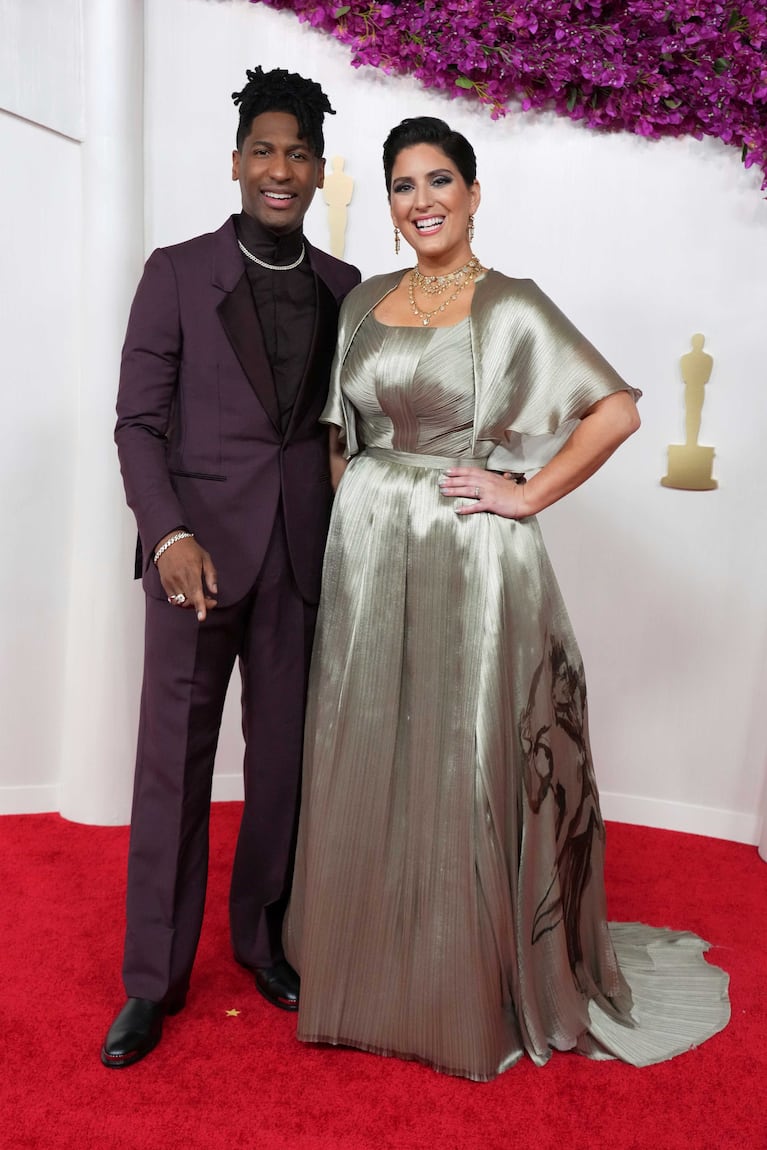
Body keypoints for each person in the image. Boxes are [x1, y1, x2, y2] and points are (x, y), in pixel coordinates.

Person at [283, 116, 730, 1081]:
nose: (421, 200)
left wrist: (523, 492)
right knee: (371, 746)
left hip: (470, 553)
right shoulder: (362, 301)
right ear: (391, 206)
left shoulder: (512, 305)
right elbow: (337, 436)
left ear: (475, 194)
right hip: (367, 553)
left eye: (440, 180)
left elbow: (616, 410)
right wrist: (362, 523)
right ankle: (368, 969)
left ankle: (464, 980)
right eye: (403, 185)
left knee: (466, 751)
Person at [101, 67, 360, 1069]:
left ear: (316, 169)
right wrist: (167, 536)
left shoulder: (346, 290)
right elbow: (136, 423)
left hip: (302, 558)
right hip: (193, 563)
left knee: (284, 769)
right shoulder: (173, 272)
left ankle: (263, 941)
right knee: (172, 771)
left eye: (299, 153)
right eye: (265, 150)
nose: (281, 168)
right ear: (237, 162)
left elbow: (356, 431)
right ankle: (150, 982)